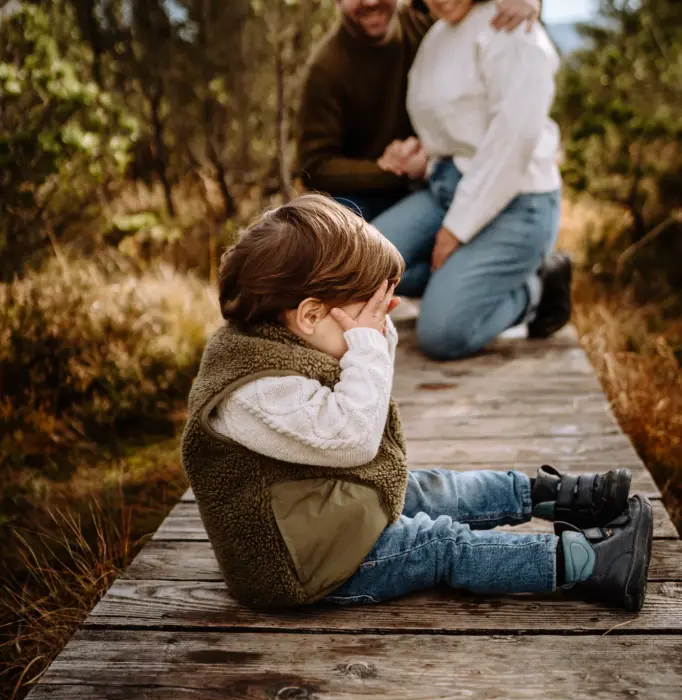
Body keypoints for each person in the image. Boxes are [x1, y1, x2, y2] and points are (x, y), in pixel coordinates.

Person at [181, 194, 653, 614]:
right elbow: (354, 439)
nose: (375, 323)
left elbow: (365, 404)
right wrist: (366, 346)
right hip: (302, 564)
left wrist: (370, 336)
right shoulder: (254, 390)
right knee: (439, 545)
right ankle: (591, 564)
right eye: (364, 311)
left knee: (429, 489)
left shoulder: (288, 337)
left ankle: (562, 499)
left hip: (322, 513)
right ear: (309, 314)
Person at [373, 0, 571, 360]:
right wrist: (419, 157)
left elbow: (511, 144)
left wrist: (456, 231)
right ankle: (462, 282)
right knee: (366, 267)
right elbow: (456, 128)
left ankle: (537, 286)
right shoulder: (438, 35)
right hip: (447, 187)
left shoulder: (511, 27)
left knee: (443, 334)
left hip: (517, 201)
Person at [297, 0, 542, 223]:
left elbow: (479, 11)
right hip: (368, 193)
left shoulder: (427, 26)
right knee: (344, 238)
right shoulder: (327, 68)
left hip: (439, 173)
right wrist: (389, 170)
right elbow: (314, 166)